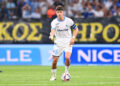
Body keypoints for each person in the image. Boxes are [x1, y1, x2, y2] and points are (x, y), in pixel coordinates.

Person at [49, 5, 79, 81]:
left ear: (63, 12)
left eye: (60, 12)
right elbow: (52, 30)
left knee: (67, 57)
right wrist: (51, 35)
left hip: (68, 41)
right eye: (58, 12)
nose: (59, 14)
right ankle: (54, 75)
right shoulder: (54, 22)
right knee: (55, 61)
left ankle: (66, 72)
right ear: (56, 13)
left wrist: (73, 38)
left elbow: (76, 29)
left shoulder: (69, 21)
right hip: (58, 42)